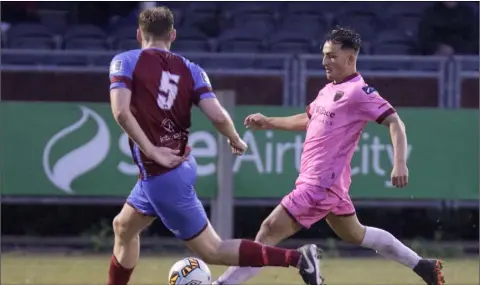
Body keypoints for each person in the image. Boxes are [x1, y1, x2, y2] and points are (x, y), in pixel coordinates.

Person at [107, 6, 322, 285]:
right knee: (123, 227)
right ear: (173, 34)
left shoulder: (124, 61)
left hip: (162, 174)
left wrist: (150, 149)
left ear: (139, 34)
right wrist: (235, 139)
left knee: (213, 250)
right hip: (174, 167)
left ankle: (297, 259)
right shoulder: (191, 69)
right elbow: (218, 115)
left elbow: (121, 112)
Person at [213, 27, 445, 285]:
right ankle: (422, 266)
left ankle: (222, 284)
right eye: (324, 55)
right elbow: (309, 119)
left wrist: (399, 163)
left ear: (350, 57)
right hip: (330, 186)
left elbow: (395, 122)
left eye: (332, 56)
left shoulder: (360, 92)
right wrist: (269, 122)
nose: (325, 61)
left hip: (319, 185)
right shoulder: (328, 89)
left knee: (267, 232)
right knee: (357, 234)